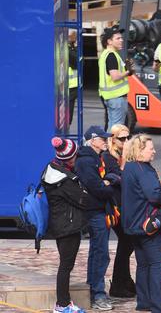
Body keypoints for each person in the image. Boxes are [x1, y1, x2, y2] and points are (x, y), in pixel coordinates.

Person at [121, 134, 161, 313]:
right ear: (139, 150)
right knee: (156, 266)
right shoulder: (143, 170)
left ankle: (144, 302)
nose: (154, 151)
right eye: (150, 148)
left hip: (134, 225)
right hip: (149, 226)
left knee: (143, 265)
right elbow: (155, 196)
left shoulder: (129, 167)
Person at [42, 137, 88, 313]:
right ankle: (62, 305)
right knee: (66, 266)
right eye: (75, 156)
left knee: (65, 265)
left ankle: (64, 303)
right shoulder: (64, 179)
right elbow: (83, 199)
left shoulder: (51, 169)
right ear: (69, 158)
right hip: (67, 227)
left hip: (60, 223)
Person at [75, 126, 115, 311]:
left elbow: (102, 181)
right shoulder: (86, 161)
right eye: (103, 139)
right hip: (94, 211)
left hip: (100, 210)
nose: (106, 141)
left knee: (97, 251)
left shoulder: (95, 158)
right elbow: (97, 187)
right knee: (101, 253)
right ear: (93, 141)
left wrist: (107, 182)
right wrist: (109, 187)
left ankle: (92, 288)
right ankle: (98, 293)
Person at [101, 124, 136, 298]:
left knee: (127, 243)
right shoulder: (108, 156)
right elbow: (122, 178)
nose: (126, 141)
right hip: (116, 207)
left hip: (127, 205)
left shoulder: (125, 155)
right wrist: (126, 160)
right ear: (113, 139)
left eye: (128, 137)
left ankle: (124, 281)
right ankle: (119, 284)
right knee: (126, 241)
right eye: (122, 138)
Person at [98, 26, 133, 132]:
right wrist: (128, 72)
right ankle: (111, 148)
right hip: (116, 98)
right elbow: (115, 76)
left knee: (112, 126)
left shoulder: (105, 54)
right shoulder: (112, 56)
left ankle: (108, 147)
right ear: (109, 41)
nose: (121, 40)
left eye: (121, 38)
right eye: (118, 38)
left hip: (110, 97)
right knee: (117, 129)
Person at [68, 31, 79, 125]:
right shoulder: (68, 49)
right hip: (69, 86)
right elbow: (77, 62)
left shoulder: (71, 48)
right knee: (66, 115)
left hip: (72, 86)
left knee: (67, 115)